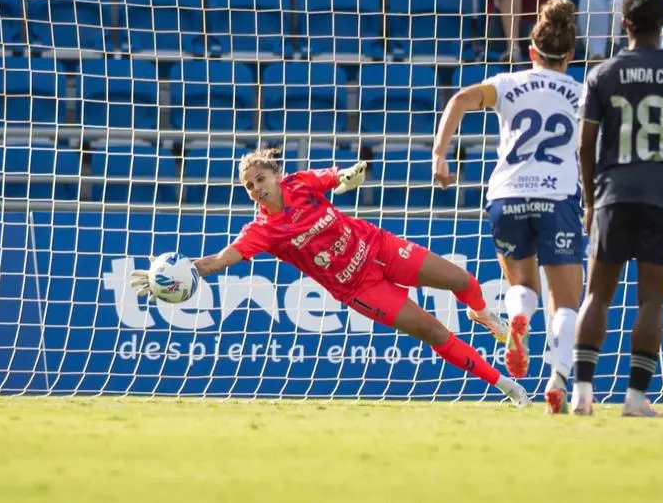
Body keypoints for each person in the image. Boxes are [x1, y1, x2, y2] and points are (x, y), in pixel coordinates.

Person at [129, 149, 530, 408]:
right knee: (432, 328)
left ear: (275, 174)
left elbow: (335, 178)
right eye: (249, 187)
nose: (255, 190)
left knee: (462, 280)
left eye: (260, 180)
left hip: (378, 247)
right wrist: (179, 273)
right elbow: (219, 260)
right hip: (360, 288)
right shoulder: (262, 231)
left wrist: (348, 177)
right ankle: (506, 387)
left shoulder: (301, 183)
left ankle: (484, 316)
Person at [432, 0, 585, 414]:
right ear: (570, 55)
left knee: (523, 287)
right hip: (557, 196)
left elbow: (461, 97)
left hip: (507, 194)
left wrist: (440, 154)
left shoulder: (509, 83)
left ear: (530, 51)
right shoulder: (579, 92)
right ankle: (557, 380)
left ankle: (519, 322)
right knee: (567, 301)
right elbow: (590, 147)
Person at [573, 0, 663, 417]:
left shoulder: (602, 73)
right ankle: (634, 398)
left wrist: (592, 199)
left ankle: (581, 394)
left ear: (624, 23)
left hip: (613, 193)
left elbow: (585, 143)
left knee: (597, 294)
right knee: (651, 300)